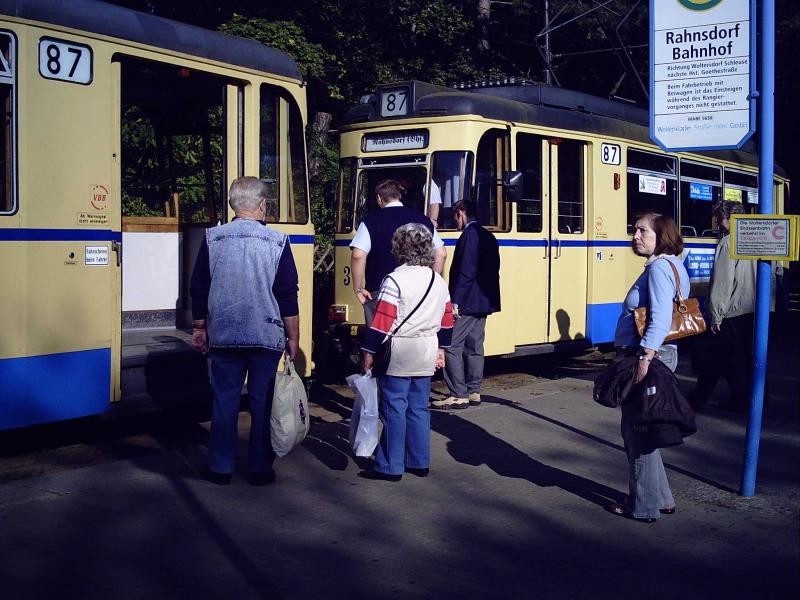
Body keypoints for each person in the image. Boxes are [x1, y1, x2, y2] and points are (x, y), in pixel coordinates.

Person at [190, 176, 299, 486]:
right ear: (262, 205)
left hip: (224, 334)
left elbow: (199, 287)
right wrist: (294, 337)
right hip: (265, 336)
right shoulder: (277, 242)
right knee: (263, 403)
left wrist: (200, 327)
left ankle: (220, 468)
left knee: (224, 401)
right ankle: (260, 468)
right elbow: (287, 293)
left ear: (233, 205)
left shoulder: (213, 239)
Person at [608, 213, 690, 522]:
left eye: (642, 230)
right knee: (646, 431)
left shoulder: (658, 268)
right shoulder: (672, 264)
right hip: (658, 354)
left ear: (661, 234)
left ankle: (642, 506)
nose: (635, 235)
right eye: (635, 229)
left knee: (637, 433)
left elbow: (660, 318)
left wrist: (645, 357)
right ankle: (662, 499)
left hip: (649, 356)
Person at [359, 223, 454, 481]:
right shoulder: (438, 280)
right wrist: (442, 349)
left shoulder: (394, 280)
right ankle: (419, 461)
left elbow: (383, 321)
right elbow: (447, 320)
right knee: (419, 407)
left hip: (400, 349)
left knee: (394, 407)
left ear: (398, 248)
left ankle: (390, 465)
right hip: (427, 347)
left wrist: (368, 350)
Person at [690, 200, 761, 411]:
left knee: (719, 358)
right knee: (740, 358)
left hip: (732, 311)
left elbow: (723, 282)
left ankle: (699, 400)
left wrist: (716, 315)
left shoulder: (728, 243)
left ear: (729, 218)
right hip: (754, 310)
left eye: (720, 219)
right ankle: (744, 399)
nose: (718, 224)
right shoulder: (759, 240)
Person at [431, 200, 501, 410]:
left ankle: (458, 393)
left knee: (451, 345)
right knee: (475, 346)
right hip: (484, 301)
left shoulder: (469, 235)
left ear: (461, 212)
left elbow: (466, 271)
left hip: (468, 301)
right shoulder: (488, 235)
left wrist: (456, 300)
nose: (455, 220)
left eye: (455, 216)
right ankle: (473, 391)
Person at [350, 179, 447, 325]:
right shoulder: (423, 220)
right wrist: (432, 281)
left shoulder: (370, 221)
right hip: (418, 291)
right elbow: (441, 254)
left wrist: (358, 288)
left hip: (381, 291)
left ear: (379, 198)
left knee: (379, 340)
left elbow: (358, 255)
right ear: (399, 196)